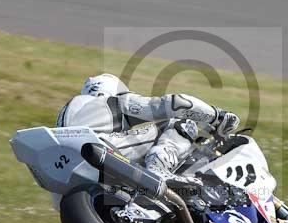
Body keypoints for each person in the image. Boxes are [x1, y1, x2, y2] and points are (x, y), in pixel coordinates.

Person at [55, 73, 240, 194]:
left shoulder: (67, 115)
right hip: (99, 149)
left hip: (66, 173)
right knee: (181, 122)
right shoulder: (110, 101)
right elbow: (174, 104)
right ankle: (159, 167)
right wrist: (218, 117)